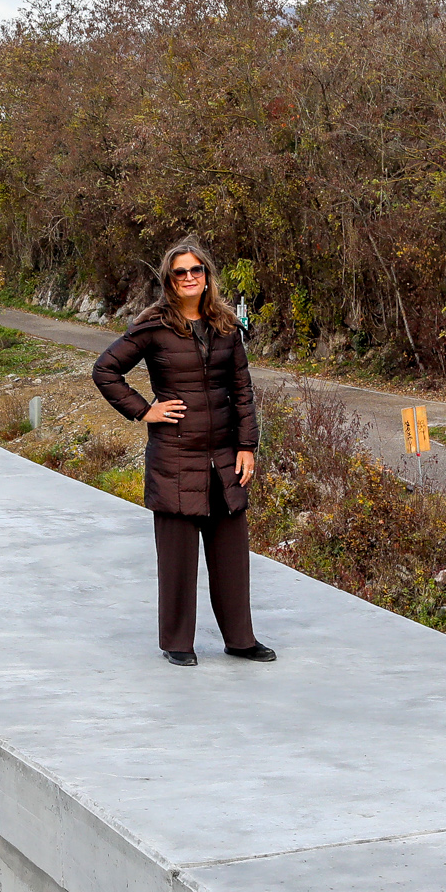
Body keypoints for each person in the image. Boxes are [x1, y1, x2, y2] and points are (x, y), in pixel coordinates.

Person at [92, 240, 277, 667]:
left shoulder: (226, 325)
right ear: (169, 280)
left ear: (207, 275)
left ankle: (240, 639)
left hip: (224, 458)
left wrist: (248, 446)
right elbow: (105, 369)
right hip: (175, 458)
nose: (190, 277)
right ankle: (178, 642)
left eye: (196, 270)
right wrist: (144, 410)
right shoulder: (154, 325)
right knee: (176, 560)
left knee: (232, 557)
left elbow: (242, 391)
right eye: (180, 272)